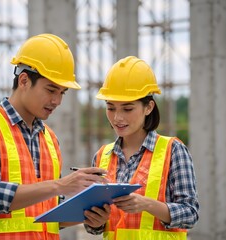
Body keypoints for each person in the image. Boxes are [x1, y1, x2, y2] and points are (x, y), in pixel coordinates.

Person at [0, 33, 108, 240]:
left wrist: (87, 215)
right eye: (51, 90)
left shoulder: (49, 138)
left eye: (62, 92)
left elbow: (45, 214)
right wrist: (62, 185)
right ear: (24, 80)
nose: (57, 101)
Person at [83, 56, 199, 239]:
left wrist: (147, 204)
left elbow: (190, 214)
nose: (117, 118)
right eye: (111, 108)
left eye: (127, 109)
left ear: (148, 107)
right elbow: (95, 226)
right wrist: (95, 222)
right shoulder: (101, 156)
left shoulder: (173, 150)